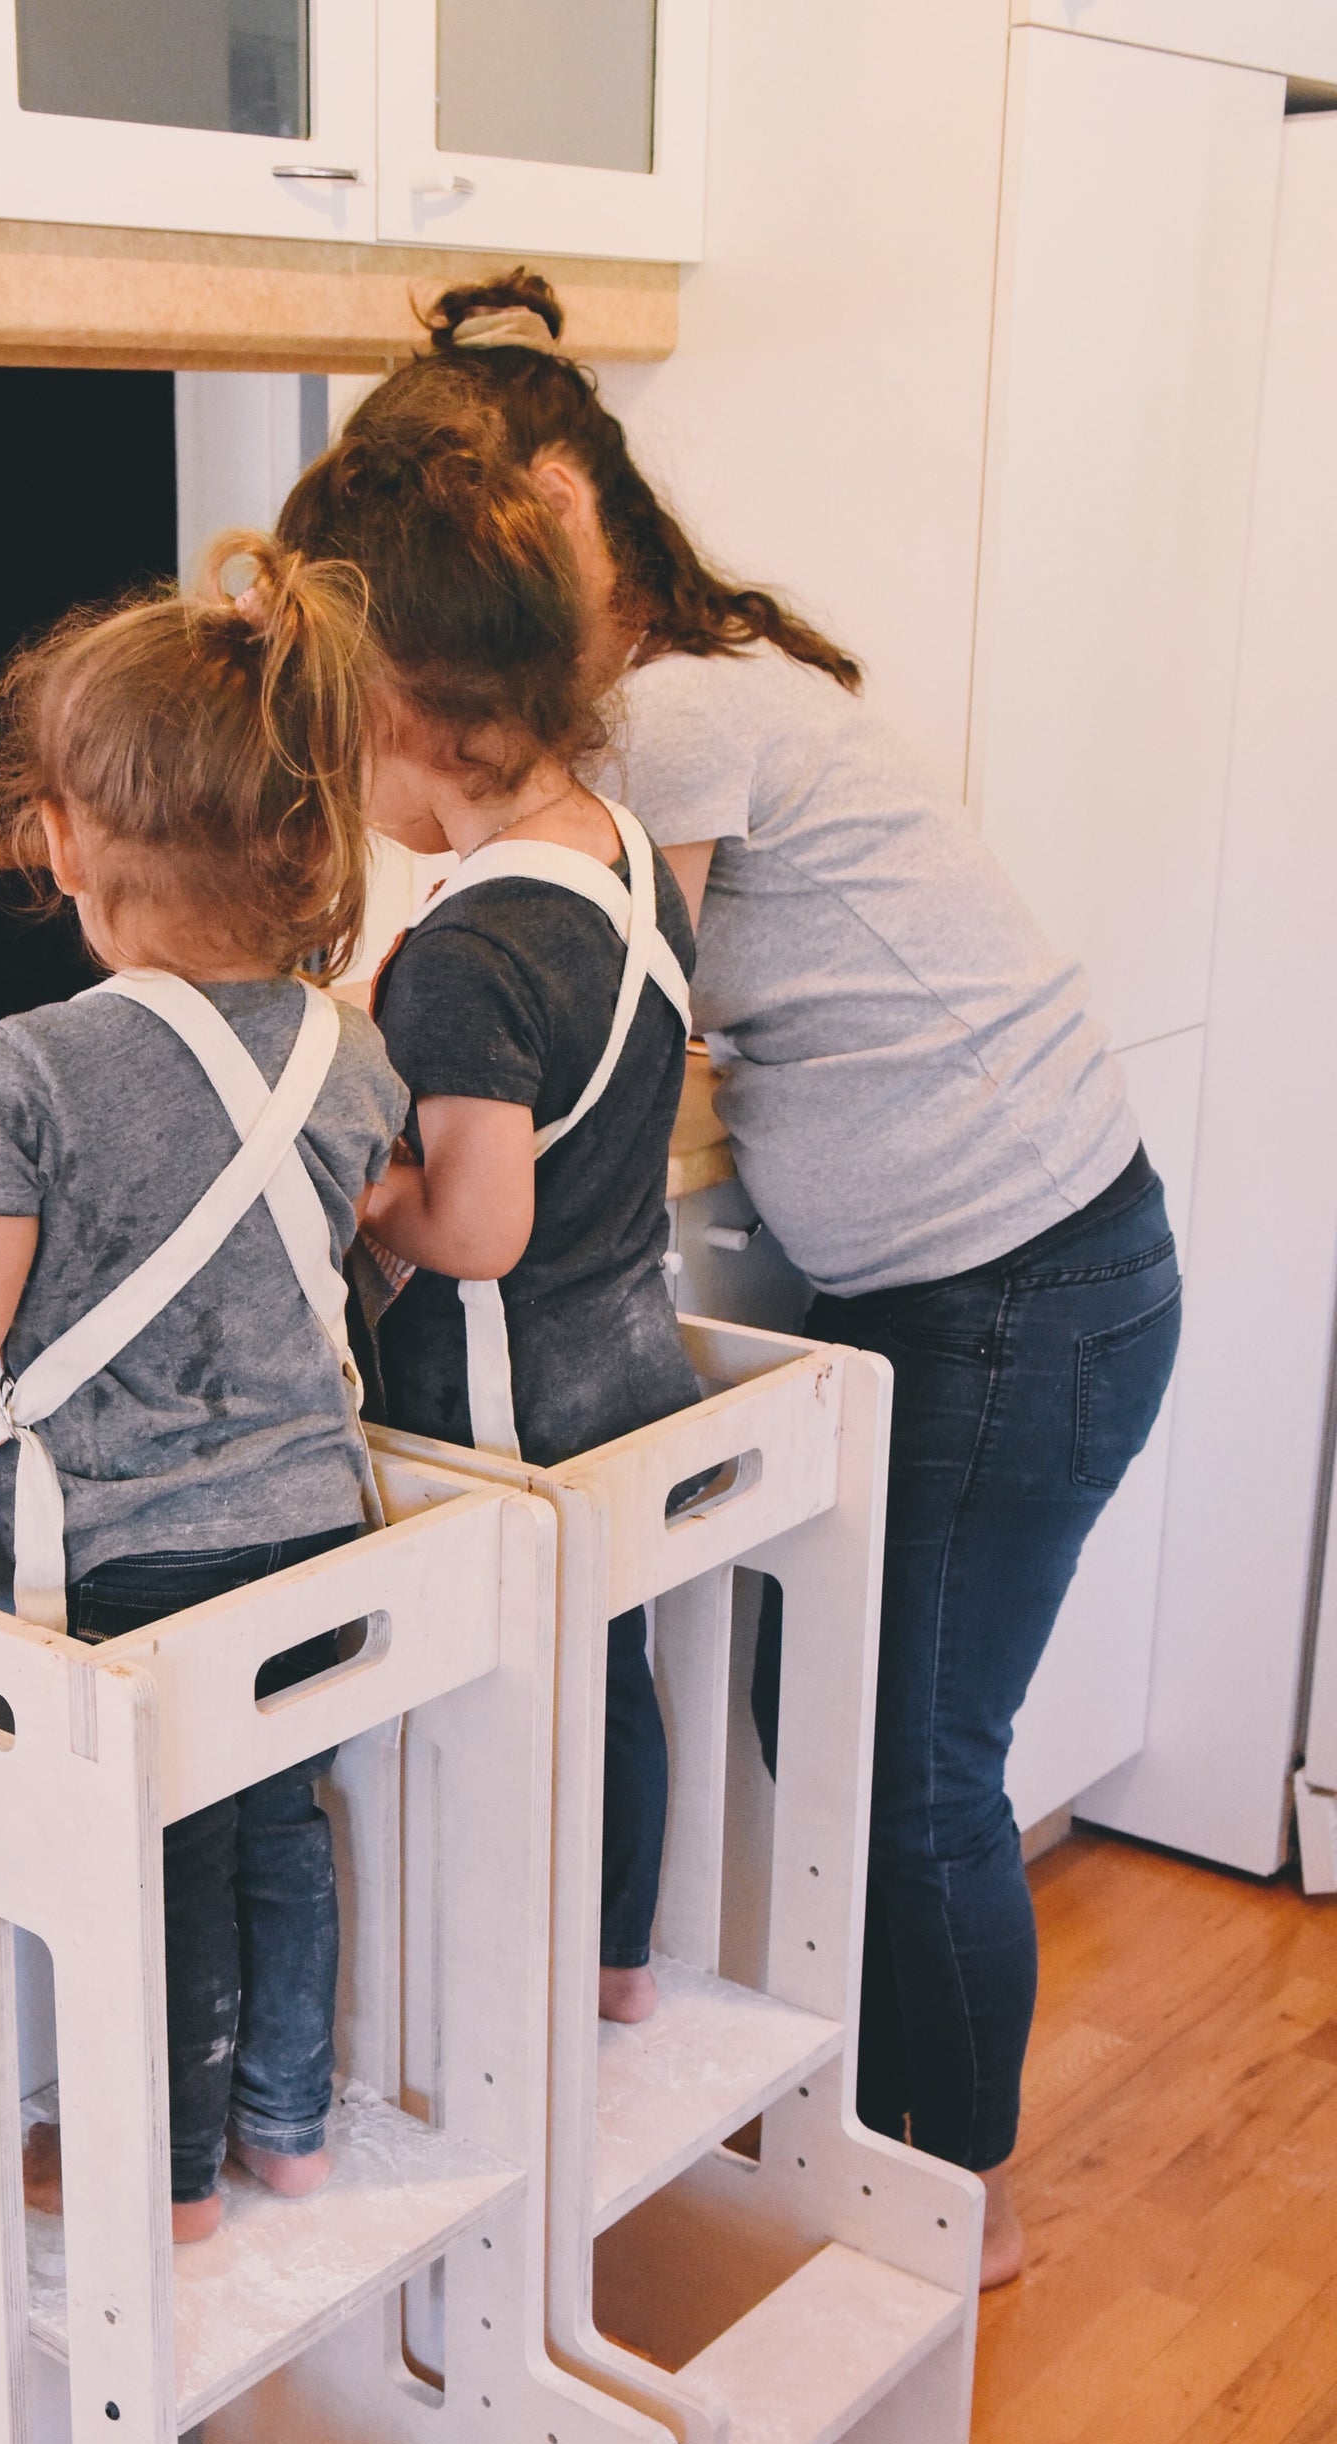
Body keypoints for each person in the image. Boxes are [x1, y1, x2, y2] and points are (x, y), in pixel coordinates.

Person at [331, 271, 1182, 2288]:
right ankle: (891, 2163)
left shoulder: (671, 720)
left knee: (909, 1766)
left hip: (1014, 1280)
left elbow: (597, 978)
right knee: (870, 1742)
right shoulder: (669, 694)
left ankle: (939, 2206)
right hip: (1014, 1256)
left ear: (551, 508)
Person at [0, 545, 409, 2243]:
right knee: (281, 1819)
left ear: (57, 836)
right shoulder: (354, 1050)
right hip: (320, 1533)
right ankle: (288, 2133)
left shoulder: (34, 1067)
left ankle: (169, 2185)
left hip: (122, 1563)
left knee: (162, 1859)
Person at [278, 424, 703, 2027]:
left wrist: (358, 1162)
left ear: (393, 711)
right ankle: (612, 1972)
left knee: (507, 1715)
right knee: (614, 1688)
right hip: (627, 1373)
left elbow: (474, 1231)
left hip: (498, 1408)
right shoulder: (618, 854)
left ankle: (488, 1998)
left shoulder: (470, 950)